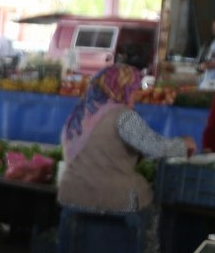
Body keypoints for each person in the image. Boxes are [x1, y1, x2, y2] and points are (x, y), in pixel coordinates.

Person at [58, 64, 194, 212]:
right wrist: (184, 144)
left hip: (70, 193)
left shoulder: (80, 114)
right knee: (150, 200)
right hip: (111, 198)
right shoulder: (122, 115)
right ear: (123, 87)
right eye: (134, 88)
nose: (136, 93)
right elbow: (154, 147)